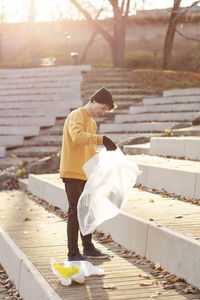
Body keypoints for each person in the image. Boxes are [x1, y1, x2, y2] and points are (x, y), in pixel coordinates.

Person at [60, 87, 117, 261]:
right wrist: (102, 139)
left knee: (87, 211)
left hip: (85, 173)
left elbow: (89, 150)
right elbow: (78, 137)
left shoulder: (92, 122)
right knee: (75, 211)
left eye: (105, 110)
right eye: (101, 107)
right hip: (72, 172)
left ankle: (88, 248)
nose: (102, 112)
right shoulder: (76, 115)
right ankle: (73, 252)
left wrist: (100, 166)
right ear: (92, 101)